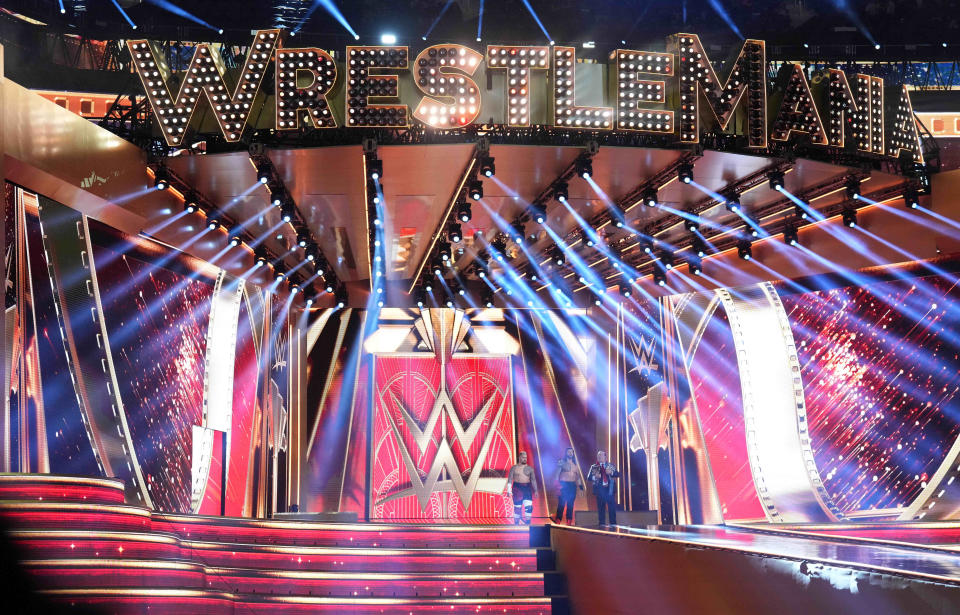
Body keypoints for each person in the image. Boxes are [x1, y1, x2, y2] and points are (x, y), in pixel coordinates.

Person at [587, 450, 620, 527]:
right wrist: (595, 477)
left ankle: (613, 524)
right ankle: (601, 524)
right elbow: (589, 478)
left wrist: (611, 473)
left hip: (609, 490)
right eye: (598, 456)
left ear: (605, 457)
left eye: (601, 455)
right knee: (601, 509)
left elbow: (617, 474)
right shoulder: (594, 466)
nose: (599, 457)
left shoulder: (610, 465)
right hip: (600, 490)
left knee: (611, 508)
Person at [506, 451, 538, 525]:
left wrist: (536, 490)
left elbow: (533, 480)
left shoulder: (530, 469)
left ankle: (528, 524)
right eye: (523, 457)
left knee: (529, 508)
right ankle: (516, 524)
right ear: (519, 458)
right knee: (517, 509)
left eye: (526, 457)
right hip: (517, 488)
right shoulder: (514, 468)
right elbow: (510, 479)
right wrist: (508, 490)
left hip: (527, 489)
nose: (525, 459)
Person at [554, 447, 584, 524]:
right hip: (563, 485)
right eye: (569, 452)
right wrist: (557, 485)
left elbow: (578, 478)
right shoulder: (562, 462)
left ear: (573, 454)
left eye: (572, 452)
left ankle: (569, 522)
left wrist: (581, 488)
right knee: (561, 503)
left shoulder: (575, 465)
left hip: (572, 486)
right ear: (566, 453)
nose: (570, 453)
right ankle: (558, 521)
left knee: (570, 504)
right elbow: (557, 474)